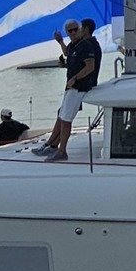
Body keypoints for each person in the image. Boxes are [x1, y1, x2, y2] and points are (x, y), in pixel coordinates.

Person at [35, 17, 102, 162]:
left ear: (81, 30)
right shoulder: (73, 45)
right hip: (71, 86)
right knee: (62, 115)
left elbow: (90, 66)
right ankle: (53, 145)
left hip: (79, 87)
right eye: (69, 30)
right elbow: (68, 54)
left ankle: (61, 151)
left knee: (65, 119)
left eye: (75, 29)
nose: (72, 32)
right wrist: (60, 42)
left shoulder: (87, 45)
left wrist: (75, 78)